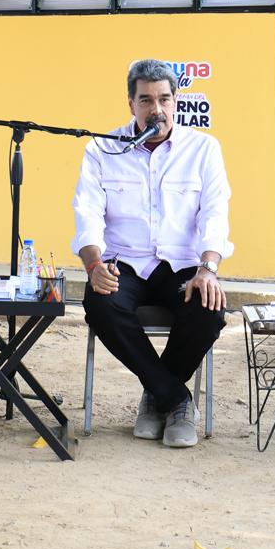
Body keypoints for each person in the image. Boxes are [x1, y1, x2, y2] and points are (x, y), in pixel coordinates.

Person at [72, 58, 232, 448]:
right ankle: (176, 398)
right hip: (124, 262)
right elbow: (87, 213)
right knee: (100, 302)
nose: (155, 109)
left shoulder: (204, 149)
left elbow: (215, 212)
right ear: (131, 103)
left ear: (176, 101)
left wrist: (208, 269)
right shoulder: (102, 149)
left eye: (163, 99)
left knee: (209, 308)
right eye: (145, 100)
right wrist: (93, 265)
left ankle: (155, 394)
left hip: (183, 266)